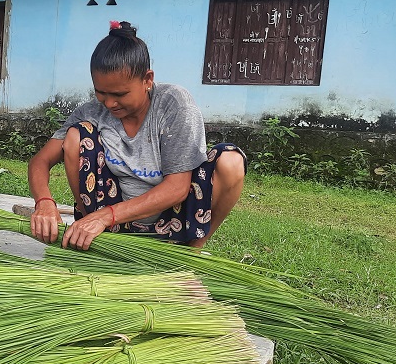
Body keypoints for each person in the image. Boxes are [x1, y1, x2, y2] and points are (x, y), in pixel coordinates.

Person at [27, 20, 246, 250]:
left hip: (173, 219)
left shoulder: (174, 105)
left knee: (231, 162)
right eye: (101, 93)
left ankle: (193, 248)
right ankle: (94, 238)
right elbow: (40, 161)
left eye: (120, 94)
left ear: (147, 80)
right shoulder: (92, 112)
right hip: (113, 222)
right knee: (74, 137)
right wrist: (44, 202)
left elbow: (177, 188)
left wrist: (106, 215)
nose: (110, 103)